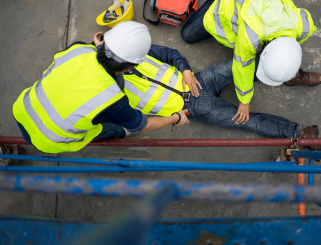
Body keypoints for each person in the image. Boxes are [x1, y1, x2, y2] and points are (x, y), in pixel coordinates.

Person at [116, 35, 321, 149]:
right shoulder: (113, 96)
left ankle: (288, 73)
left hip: (198, 80)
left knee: (242, 65)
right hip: (193, 108)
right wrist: (175, 118)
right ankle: (301, 133)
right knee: (248, 121)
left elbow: (169, 54)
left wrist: (185, 70)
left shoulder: (130, 51)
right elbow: (137, 125)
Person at [12, 22, 189, 153]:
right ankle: (122, 132)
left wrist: (98, 49)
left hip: (23, 108)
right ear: (129, 67)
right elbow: (145, 125)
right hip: (49, 139)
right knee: (111, 126)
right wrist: (175, 118)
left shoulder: (79, 48)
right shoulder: (113, 98)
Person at [181, 0, 321, 126]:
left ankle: (292, 74)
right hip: (225, 9)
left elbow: (290, 49)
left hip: (254, 12)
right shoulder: (249, 38)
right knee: (187, 35)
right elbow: (242, 67)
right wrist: (244, 100)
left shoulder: (303, 26)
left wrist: (288, 66)